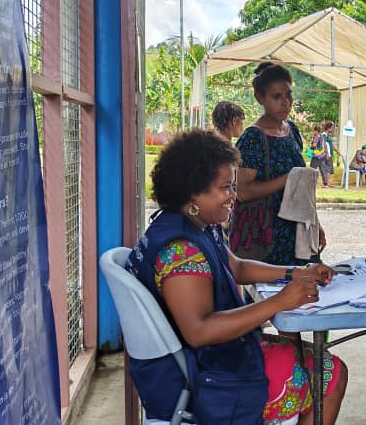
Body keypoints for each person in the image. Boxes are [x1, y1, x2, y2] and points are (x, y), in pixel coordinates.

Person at [125, 130, 348, 424]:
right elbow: (199, 330)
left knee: (314, 358)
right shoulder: (181, 251)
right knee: (329, 372)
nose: (233, 195)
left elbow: (237, 267)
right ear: (194, 192)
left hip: (204, 361)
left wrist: (295, 272)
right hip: (200, 376)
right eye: (225, 187)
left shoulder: (196, 224)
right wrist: (279, 302)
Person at [232, 62, 326, 265]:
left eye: (288, 95)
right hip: (267, 236)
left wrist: (316, 225)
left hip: (299, 231)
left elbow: (302, 189)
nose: (285, 103)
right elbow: (243, 192)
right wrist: (288, 179)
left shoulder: (292, 130)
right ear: (260, 98)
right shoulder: (252, 138)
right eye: (276, 97)